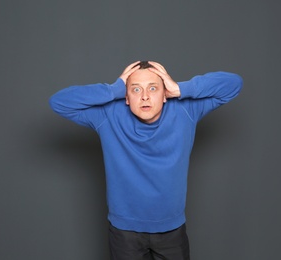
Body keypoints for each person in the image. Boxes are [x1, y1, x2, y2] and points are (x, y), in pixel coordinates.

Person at [49, 61, 243, 259]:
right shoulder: (108, 116)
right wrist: (113, 89)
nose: (145, 96)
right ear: (126, 97)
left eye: (153, 88)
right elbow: (59, 102)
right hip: (125, 232)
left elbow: (233, 84)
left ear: (165, 93)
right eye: (135, 89)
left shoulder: (186, 111)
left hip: (172, 231)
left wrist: (180, 88)